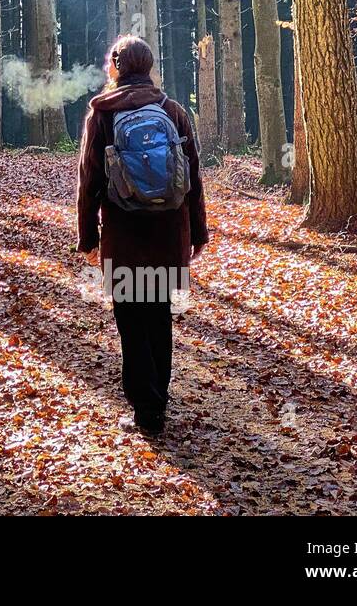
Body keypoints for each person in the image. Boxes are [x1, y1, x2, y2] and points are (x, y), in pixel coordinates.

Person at [75, 35, 208, 437]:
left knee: (130, 319)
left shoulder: (103, 113)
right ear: (148, 66)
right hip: (169, 231)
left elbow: (89, 180)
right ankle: (157, 403)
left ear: (117, 66)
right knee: (158, 316)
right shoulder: (174, 111)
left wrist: (88, 237)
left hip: (125, 234)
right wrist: (198, 233)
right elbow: (194, 178)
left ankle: (145, 407)